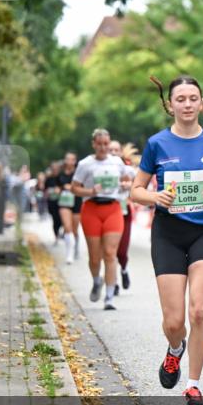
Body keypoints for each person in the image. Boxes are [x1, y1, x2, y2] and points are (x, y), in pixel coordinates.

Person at [131, 75, 203, 405]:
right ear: (170, 105)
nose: (188, 104)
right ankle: (175, 349)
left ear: (201, 103)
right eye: (181, 99)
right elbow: (135, 190)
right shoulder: (157, 144)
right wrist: (155, 196)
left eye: (194, 98)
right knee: (175, 321)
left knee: (200, 310)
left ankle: (193, 385)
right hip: (168, 235)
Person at [70, 129, 131, 311]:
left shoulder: (116, 162)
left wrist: (124, 185)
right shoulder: (85, 164)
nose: (103, 147)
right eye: (100, 144)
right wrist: (91, 191)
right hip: (91, 209)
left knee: (110, 254)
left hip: (113, 208)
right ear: (94, 144)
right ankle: (97, 281)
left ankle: (109, 297)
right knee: (95, 258)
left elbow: (127, 181)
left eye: (106, 144)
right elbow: (74, 188)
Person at [108, 140, 138, 295]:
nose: (113, 152)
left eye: (116, 150)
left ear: (120, 152)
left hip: (124, 213)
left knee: (121, 251)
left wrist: (130, 187)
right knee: (109, 251)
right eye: (110, 149)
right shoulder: (100, 168)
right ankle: (112, 283)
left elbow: (141, 186)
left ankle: (124, 269)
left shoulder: (127, 169)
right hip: (106, 213)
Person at [56, 152, 82, 264]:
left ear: (75, 161)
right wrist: (60, 189)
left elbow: (83, 186)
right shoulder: (60, 174)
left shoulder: (79, 173)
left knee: (75, 230)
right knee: (67, 227)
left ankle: (75, 247)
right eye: (67, 159)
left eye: (71, 159)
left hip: (76, 201)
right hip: (64, 202)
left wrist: (72, 188)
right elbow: (57, 187)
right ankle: (69, 253)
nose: (69, 161)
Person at [43, 162, 63, 246]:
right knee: (55, 220)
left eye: (56, 168)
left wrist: (60, 190)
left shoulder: (62, 178)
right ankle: (56, 236)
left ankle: (63, 232)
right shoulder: (48, 179)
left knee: (61, 219)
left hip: (62, 202)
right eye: (53, 168)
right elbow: (44, 189)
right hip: (52, 202)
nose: (55, 170)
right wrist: (47, 192)